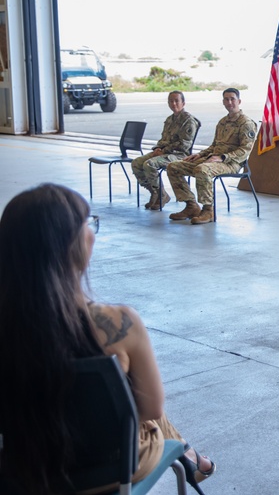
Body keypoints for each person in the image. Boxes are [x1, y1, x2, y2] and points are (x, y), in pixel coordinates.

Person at [0, 184, 216, 494]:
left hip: (21, 470)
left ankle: (192, 455)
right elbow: (151, 409)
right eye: (88, 224)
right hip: (107, 471)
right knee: (138, 404)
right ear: (73, 245)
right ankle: (190, 456)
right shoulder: (120, 322)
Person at [166, 87, 257, 225]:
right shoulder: (222, 122)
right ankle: (191, 206)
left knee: (202, 170)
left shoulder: (246, 123)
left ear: (239, 101)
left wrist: (223, 158)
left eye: (232, 99)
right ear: (223, 102)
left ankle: (208, 210)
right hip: (212, 159)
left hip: (231, 163)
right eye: (226, 99)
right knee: (173, 167)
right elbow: (214, 146)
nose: (230, 102)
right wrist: (199, 155)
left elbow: (245, 150)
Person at [131, 90, 199, 211]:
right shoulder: (169, 120)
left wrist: (164, 150)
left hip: (180, 155)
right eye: (171, 101)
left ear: (183, 103)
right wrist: (158, 149)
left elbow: (185, 144)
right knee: (136, 163)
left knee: (149, 164)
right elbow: (164, 139)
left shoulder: (188, 121)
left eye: (177, 101)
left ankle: (161, 195)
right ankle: (156, 192)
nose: (174, 104)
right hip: (165, 153)